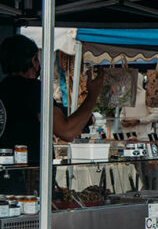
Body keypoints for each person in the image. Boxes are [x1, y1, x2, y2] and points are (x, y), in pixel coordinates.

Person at [0, 34, 104, 164]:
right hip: (28, 175)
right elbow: (67, 132)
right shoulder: (34, 90)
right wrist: (93, 94)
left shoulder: (3, 89)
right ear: (33, 61)